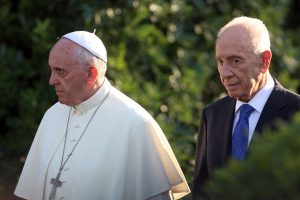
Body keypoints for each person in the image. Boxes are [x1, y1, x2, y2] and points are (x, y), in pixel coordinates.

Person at [14, 30, 190, 200]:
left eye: (61, 72)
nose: (51, 80)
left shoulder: (136, 124)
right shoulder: (52, 116)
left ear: (91, 74)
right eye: (51, 70)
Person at [192, 16, 300, 199]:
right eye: (220, 62)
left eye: (235, 61)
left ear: (264, 61)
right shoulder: (212, 116)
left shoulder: (296, 113)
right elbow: (202, 191)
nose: (225, 73)